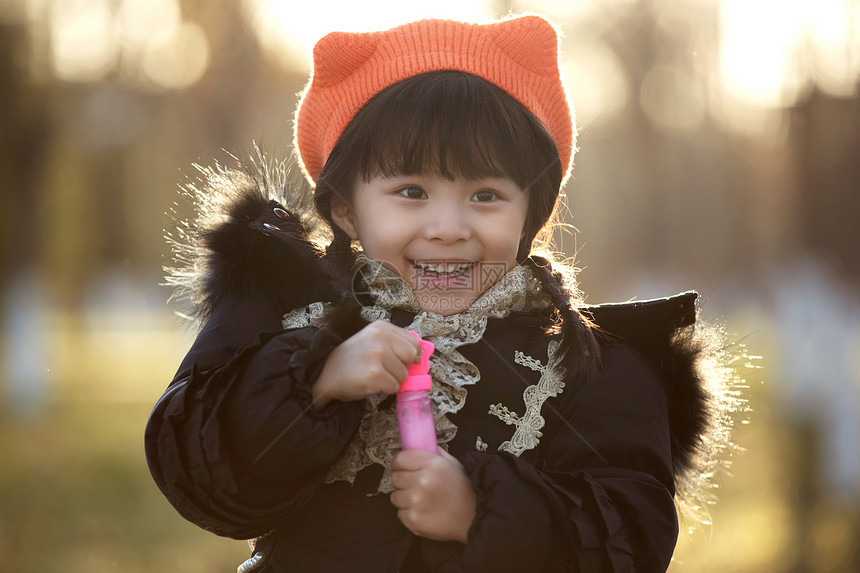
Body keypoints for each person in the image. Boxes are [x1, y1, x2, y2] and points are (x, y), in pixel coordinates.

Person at [145, 14, 734, 573]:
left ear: (531, 214)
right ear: (348, 210)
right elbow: (200, 477)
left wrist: (481, 510)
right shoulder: (284, 317)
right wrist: (316, 378)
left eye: (485, 195)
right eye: (410, 191)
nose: (448, 227)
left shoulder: (591, 368)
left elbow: (630, 539)